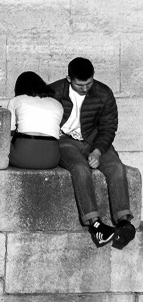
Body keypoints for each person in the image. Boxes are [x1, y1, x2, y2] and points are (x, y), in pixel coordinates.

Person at [51, 57, 135, 249]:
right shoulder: (55, 92)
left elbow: (108, 127)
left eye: (89, 83)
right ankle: (95, 224)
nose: (85, 88)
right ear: (68, 78)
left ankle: (123, 221)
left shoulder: (103, 93)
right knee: (80, 168)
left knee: (115, 167)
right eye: (80, 85)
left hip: (93, 140)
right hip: (64, 141)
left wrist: (97, 151)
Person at [9, 70, 62, 171]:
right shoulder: (57, 104)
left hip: (22, 157)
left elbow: (9, 131)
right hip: (52, 159)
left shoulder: (16, 100)